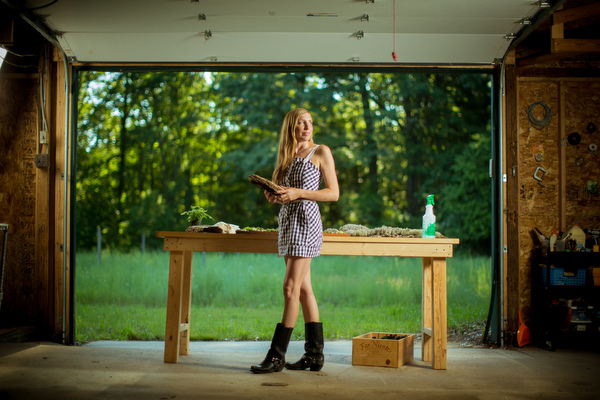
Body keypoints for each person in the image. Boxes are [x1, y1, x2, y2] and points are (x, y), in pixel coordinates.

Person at [250, 108, 339, 374]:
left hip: (307, 222)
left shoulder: (321, 151)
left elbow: (333, 193)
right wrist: (274, 196)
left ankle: (276, 357)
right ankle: (314, 355)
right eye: (301, 122)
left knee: (289, 288)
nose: (307, 126)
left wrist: (298, 193)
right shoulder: (287, 156)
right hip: (287, 223)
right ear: (291, 126)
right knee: (302, 290)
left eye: (310, 122)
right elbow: (284, 192)